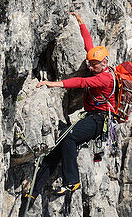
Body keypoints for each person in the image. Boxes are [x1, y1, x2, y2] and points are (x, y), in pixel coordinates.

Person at [33, 11, 114, 197]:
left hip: (97, 121)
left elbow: (80, 82)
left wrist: (53, 84)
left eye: (93, 65)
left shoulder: (104, 79)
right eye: (89, 63)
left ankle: (72, 181)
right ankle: (34, 190)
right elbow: (89, 46)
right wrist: (81, 23)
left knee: (68, 137)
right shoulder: (98, 66)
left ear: (104, 63)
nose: (89, 67)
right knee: (59, 145)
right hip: (92, 118)